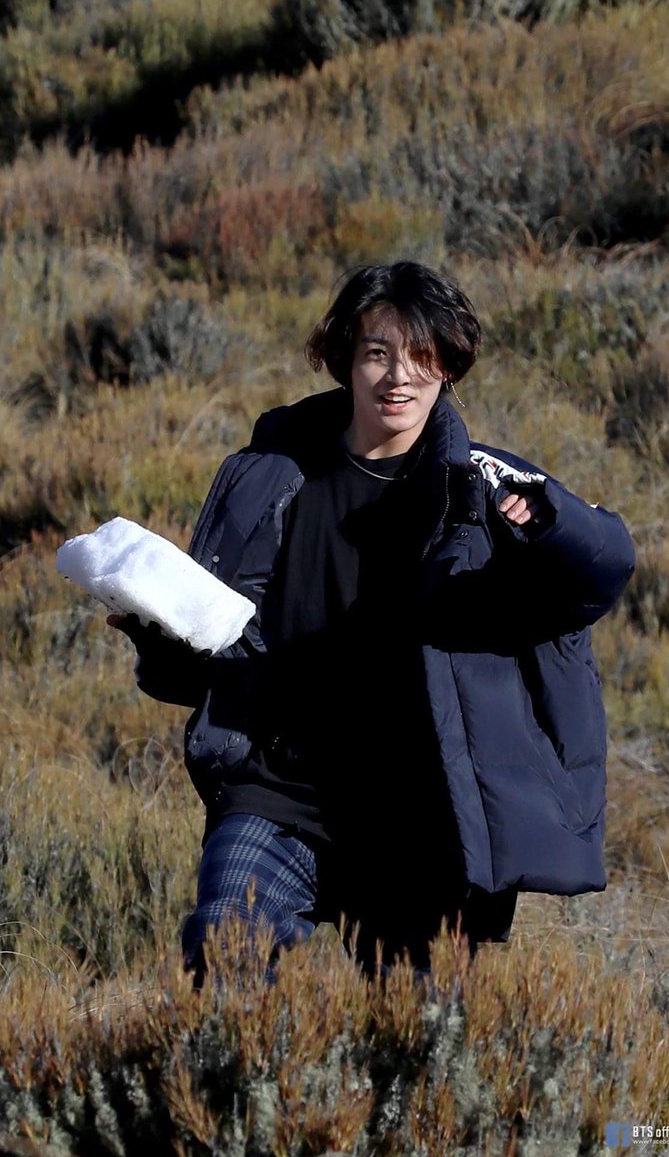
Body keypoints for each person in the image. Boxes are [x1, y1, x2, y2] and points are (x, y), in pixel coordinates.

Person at [108, 261, 635, 982]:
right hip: (281, 789)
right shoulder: (268, 475)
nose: (399, 377)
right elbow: (212, 646)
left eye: (422, 355)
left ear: (449, 365)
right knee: (226, 951)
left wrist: (552, 521)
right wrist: (159, 632)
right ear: (345, 358)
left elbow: (602, 572)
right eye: (378, 352)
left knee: (416, 1029)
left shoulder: (480, 488)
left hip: (420, 816)